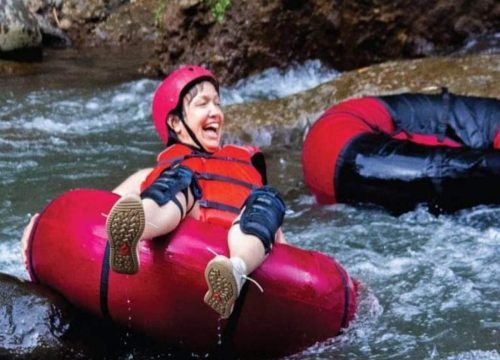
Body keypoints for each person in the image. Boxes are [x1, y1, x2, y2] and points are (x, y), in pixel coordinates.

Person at [105, 65, 287, 319]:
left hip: (238, 252)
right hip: (187, 247)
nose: (216, 112)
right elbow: (99, 208)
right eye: (203, 104)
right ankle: (134, 231)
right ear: (176, 122)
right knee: (182, 180)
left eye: (217, 103)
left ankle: (235, 270)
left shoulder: (245, 170)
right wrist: (40, 223)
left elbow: (281, 244)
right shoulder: (153, 173)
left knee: (267, 200)